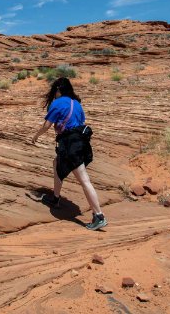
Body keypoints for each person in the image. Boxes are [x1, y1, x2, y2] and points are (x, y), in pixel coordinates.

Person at [29, 76, 107, 231]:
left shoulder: (57, 103)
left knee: (84, 180)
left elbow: (47, 125)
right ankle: (55, 199)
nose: (54, 93)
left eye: (55, 90)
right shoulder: (77, 104)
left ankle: (99, 216)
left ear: (58, 89)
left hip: (70, 144)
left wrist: (36, 136)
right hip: (80, 142)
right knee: (56, 164)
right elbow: (80, 121)